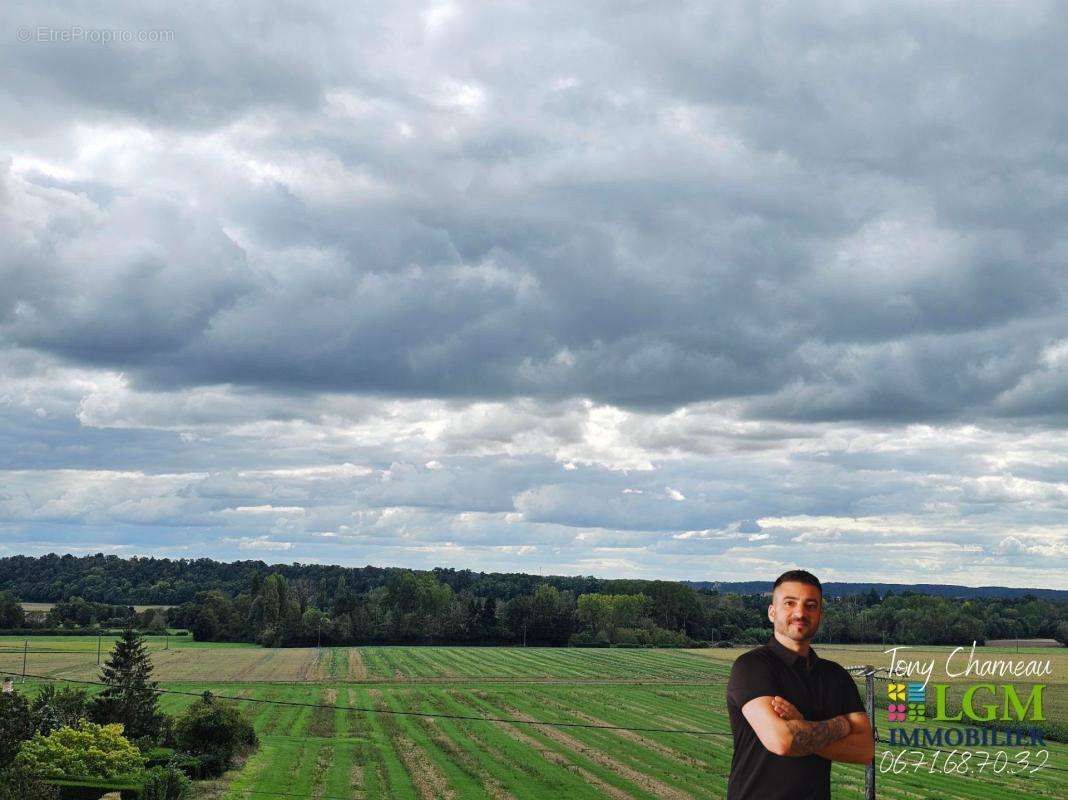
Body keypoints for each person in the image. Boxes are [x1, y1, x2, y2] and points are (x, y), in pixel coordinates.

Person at [726, 569, 874, 800]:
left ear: (820, 614)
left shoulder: (835, 676)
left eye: (810, 605)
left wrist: (801, 725)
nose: (800, 612)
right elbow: (782, 741)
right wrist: (841, 725)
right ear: (772, 612)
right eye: (790, 603)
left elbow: (865, 750)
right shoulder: (752, 667)